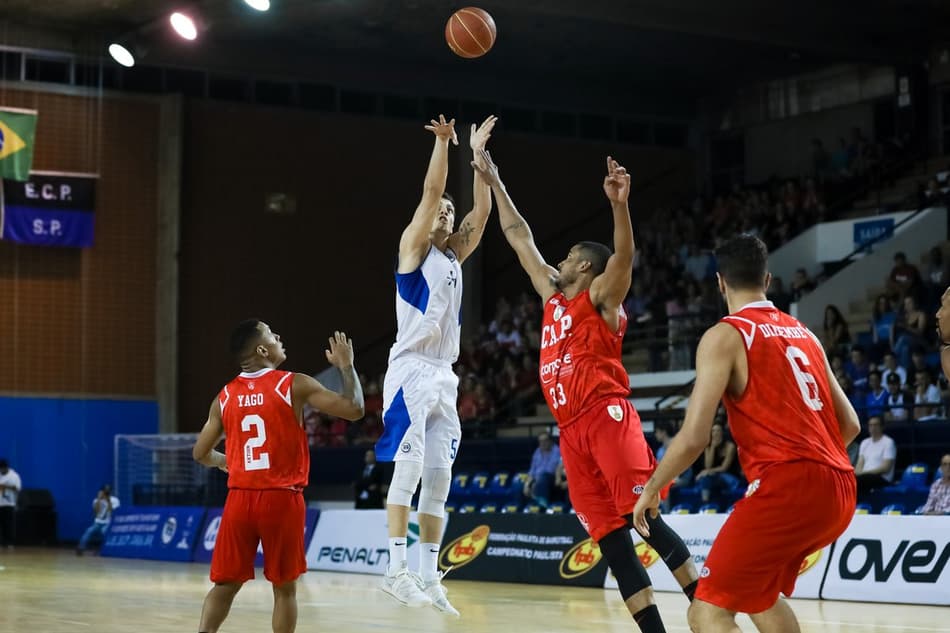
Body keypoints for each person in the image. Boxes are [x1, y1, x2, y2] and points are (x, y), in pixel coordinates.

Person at [474, 149, 698, 633]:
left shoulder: (601, 299)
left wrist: (620, 206)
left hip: (605, 415)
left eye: (568, 257)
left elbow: (624, 258)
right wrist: (494, 181)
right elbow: (519, 237)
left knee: (647, 519)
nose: (558, 261)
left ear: (585, 268)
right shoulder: (553, 298)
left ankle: (709, 609)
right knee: (614, 542)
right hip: (570, 432)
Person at [633, 234, 859, 633]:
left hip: (789, 483)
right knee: (760, 596)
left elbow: (694, 437)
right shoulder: (806, 335)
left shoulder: (725, 335)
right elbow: (851, 425)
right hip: (840, 486)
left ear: (720, 282)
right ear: (767, 280)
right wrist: (812, 464)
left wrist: (652, 487)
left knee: (706, 611)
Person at [376, 114, 497, 616]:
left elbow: (482, 213)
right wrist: (445, 146)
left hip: (445, 375)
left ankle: (428, 574)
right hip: (410, 370)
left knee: (440, 477)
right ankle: (394, 571)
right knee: (406, 471)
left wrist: (479, 160)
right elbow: (431, 191)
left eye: (450, 212)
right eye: (440, 212)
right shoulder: (413, 250)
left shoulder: (454, 258)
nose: (446, 214)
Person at [192, 322, 364, 633]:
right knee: (284, 589)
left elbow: (200, 453)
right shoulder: (293, 384)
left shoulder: (225, 396)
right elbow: (354, 409)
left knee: (225, 585)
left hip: (238, 502)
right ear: (262, 350)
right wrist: (347, 367)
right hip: (281, 499)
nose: (279, 338)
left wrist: (224, 462)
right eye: (272, 335)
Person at [854, 416, 897, 494]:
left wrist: (864, 473)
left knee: (862, 480)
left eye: (876, 425)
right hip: (865, 477)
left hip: (882, 478)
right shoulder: (865, 443)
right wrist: (858, 473)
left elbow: (885, 468)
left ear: (882, 427)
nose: (873, 428)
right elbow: (859, 465)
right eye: (871, 425)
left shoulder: (888, 442)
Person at [76, 484, 121, 555]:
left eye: (108, 491)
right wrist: (99, 500)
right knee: (89, 531)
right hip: (97, 522)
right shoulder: (96, 500)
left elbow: (113, 511)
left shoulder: (115, 500)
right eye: (104, 490)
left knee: (104, 532)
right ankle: (81, 548)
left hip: (108, 522)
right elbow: (96, 512)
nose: (106, 492)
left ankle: (102, 549)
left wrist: (108, 500)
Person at [523, 432, 561, 508]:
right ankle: (519, 511)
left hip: (552, 478)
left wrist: (536, 482)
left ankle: (542, 505)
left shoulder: (557, 451)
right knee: (518, 484)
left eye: (545, 440)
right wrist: (527, 485)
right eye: (540, 441)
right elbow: (532, 471)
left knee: (543, 477)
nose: (542, 443)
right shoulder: (537, 452)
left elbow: (550, 470)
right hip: (538, 479)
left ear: (551, 441)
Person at [0, 458, 21, 549]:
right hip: (0, 503)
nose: (1, 471)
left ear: (6, 468)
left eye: (2, 469)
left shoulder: (14, 476)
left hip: (9, 503)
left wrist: (7, 486)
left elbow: (18, 489)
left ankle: (9, 542)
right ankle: (1, 542)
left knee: (8, 524)